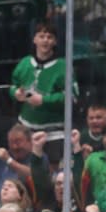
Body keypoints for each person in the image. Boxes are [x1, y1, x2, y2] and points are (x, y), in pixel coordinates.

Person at [9, 22, 77, 163]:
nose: (45, 40)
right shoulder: (24, 63)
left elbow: (72, 97)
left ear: (55, 41)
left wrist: (44, 100)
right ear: (35, 39)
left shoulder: (63, 66)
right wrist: (16, 93)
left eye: (49, 37)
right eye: (41, 36)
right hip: (26, 132)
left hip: (55, 134)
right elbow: (13, 86)